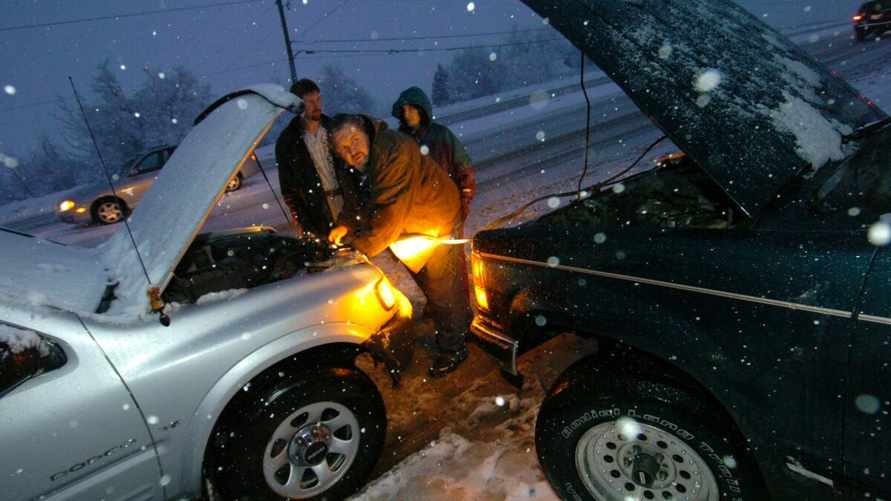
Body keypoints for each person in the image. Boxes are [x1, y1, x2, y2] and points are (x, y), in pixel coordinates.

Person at [327, 114, 472, 377]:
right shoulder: (350, 166)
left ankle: (455, 346)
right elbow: (353, 202)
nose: (353, 150)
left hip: (434, 217)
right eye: (344, 149)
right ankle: (455, 317)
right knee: (428, 281)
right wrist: (344, 225)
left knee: (443, 286)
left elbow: (389, 212)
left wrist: (359, 248)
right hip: (408, 230)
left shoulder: (394, 150)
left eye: (355, 140)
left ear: (366, 134)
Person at [275, 79, 364, 238]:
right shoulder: (288, 142)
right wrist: (305, 224)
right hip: (318, 214)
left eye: (318, 99)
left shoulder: (336, 129)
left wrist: (358, 204)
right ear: (298, 106)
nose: (317, 105)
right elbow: (290, 191)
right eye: (310, 101)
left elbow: (355, 171)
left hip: (349, 205)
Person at [392, 86, 475, 223]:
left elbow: (464, 169)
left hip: (446, 208)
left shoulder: (441, 135)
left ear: (422, 110)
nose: (407, 114)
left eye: (411, 109)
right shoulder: (399, 142)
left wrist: (464, 198)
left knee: (450, 244)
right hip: (413, 216)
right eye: (403, 110)